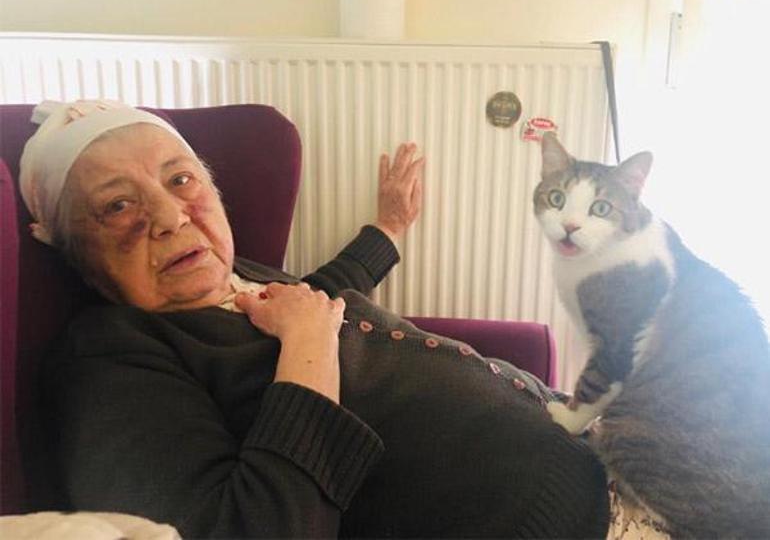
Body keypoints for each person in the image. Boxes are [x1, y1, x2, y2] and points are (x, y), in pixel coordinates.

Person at [21, 99, 610, 538]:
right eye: (117, 205)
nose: (171, 216)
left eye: (181, 179)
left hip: (597, 453)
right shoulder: (106, 357)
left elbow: (315, 295)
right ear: (71, 244)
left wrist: (387, 228)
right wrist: (309, 347)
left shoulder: (230, 277)